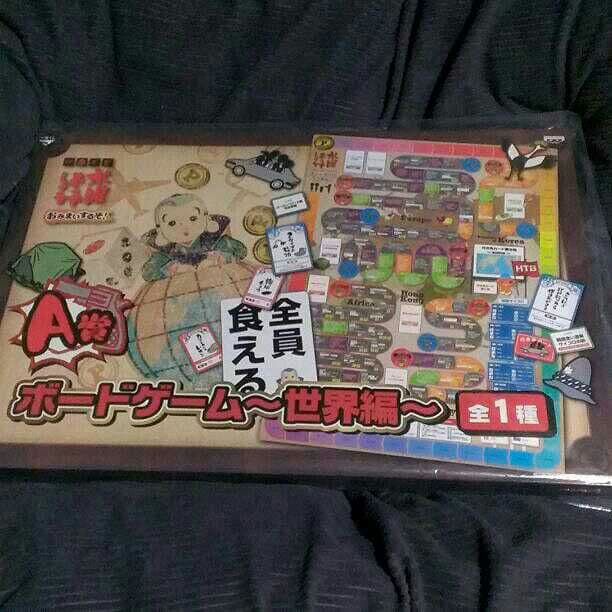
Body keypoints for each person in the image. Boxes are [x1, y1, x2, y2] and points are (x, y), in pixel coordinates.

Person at [141, 193, 247, 281]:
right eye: (172, 223)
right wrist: (172, 269)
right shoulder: (165, 253)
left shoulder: (214, 240)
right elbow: (148, 273)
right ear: (160, 230)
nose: (184, 227)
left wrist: (221, 257)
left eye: (193, 218)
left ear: (206, 219)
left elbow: (240, 250)